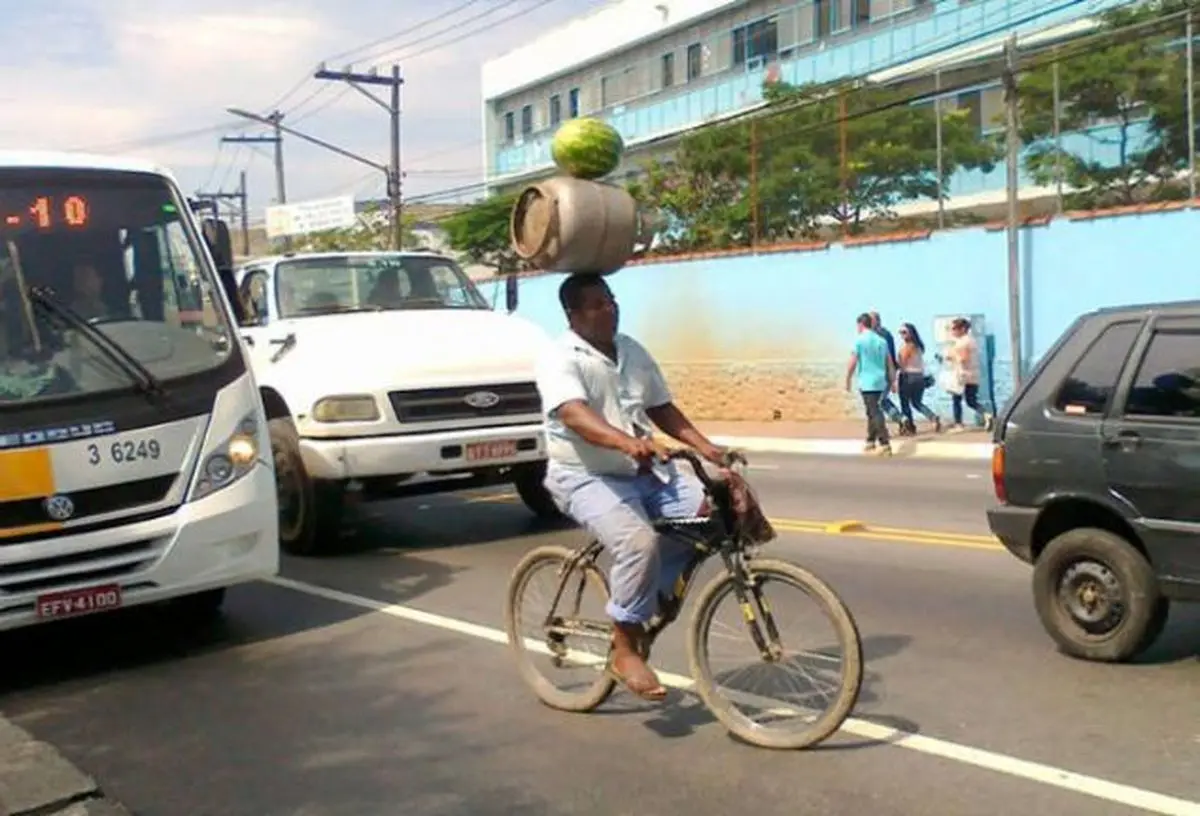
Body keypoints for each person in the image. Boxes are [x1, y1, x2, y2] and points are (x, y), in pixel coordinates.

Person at [535, 271, 730, 702]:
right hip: (584, 476)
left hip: (642, 473)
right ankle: (624, 648)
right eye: (598, 304)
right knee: (639, 542)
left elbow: (661, 408)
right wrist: (626, 442)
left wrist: (708, 449)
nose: (611, 309)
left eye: (612, 300)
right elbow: (573, 414)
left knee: (710, 511)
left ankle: (648, 596)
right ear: (574, 314)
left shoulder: (632, 350)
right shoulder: (560, 356)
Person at [845, 312, 894, 456]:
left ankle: (884, 443)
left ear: (861, 324)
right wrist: (893, 381)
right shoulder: (881, 341)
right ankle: (870, 440)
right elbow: (889, 363)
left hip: (867, 382)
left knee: (874, 411)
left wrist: (847, 378)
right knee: (871, 411)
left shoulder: (859, 340)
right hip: (880, 380)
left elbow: (853, 361)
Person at [946, 317, 994, 432]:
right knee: (970, 400)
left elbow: (963, 358)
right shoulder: (971, 341)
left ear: (962, 329)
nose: (952, 331)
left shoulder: (964, 342)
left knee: (956, 398)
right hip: (972, 375)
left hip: (963, 375)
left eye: (954, 328)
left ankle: (958, 424)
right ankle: (986, 414)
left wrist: (951, 357)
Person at [896, 322, 941, 434]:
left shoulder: (908, 347)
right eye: (900, 333)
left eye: (904, 332)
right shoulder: (919, 347)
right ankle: (933, 417)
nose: (902, 335)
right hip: (919, 377)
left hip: (908, 377)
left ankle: (909, 427)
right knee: (917, 402)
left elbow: (902, 364)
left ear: (911, 333)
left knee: (905, 403)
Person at [869, 311, 906, 434]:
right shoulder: (887, 334)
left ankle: (884, 429)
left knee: (877, 401)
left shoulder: (876, 336)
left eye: (870, 320)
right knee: (882, 400)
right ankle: (901, 420)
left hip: (880, 372)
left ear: (876, 321)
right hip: (887, 370)